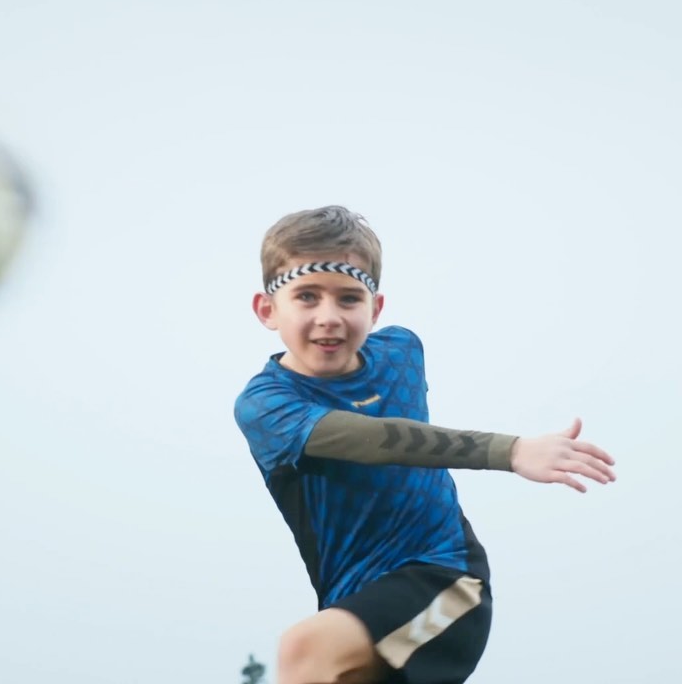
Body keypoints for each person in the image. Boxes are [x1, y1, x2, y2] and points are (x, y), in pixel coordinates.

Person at [233, 205, 615, 684]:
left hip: (450, 583)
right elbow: (372, 440)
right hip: (354, 610)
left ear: (376, 309)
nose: (328, 317)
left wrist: (512, 450)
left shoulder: (401, 352)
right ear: (267, 309)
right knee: (324, 661)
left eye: (349, 299)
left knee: (305, 649)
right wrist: (510, 449)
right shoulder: (266, 405)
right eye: (307, 297)